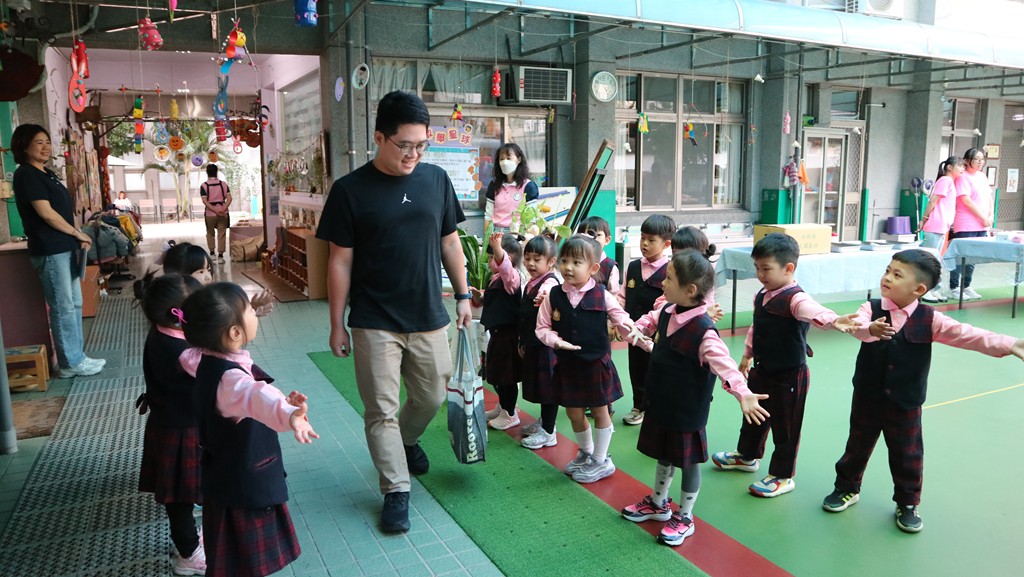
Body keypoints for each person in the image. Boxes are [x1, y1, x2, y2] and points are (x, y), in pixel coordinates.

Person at [315, 90, 471, 533]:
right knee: (380, 409)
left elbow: (450, 243)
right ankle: (396, 489)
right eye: (405, 145)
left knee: (432, 396)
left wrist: (463, 295)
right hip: (373, 320)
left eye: (421, 146)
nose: (413, 155)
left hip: (428, 315)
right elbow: (339, 262)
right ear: (379, 137)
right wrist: (336, 325)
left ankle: (406, 440)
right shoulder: (349, 191)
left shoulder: (435, 180)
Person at [823, 249, 1024, 533]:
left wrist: (1010, 344)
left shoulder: (931, 319)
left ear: (918, 289)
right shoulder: (871, 308)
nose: (887, 278)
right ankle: (846, 487)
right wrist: (869, 329)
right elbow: (856, 326)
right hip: (867, 396)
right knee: (857, 444)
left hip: (905, 401)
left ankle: (907, 502)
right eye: (887, 270)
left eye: (897, 274)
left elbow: (967, 335)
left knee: (908, 452)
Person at [622, 250, 769, 547]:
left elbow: (725, 365)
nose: (663, 282)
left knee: (688, 463)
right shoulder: (667, 310)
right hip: (662, 403)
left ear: (690, 290)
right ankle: (659, 503)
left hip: (687, 411)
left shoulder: (705, 332)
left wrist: (743, 393)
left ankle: (685, 517)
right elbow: (648, 321)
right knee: (664, 454)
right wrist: (635, 329)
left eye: (669, 278)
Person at [180, 282, 318, 577]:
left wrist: (246, 312)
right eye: (249, 312)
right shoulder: (231, 380)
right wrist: (290, 414)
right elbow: (256, 395)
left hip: (223, 480)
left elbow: (251, 397)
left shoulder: (201, 359)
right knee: (244, 564)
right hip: (244, 487)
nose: (255, 314)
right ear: (234, 333)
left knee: (229, 562)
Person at [711, 233, 858, 497]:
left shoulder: (795, 299)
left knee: (786, 427)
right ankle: (747, 456)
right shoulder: (762, 295)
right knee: (754, 416)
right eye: (757, 268)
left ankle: (782, 475)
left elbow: (814, 311)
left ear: (788, 268)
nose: (760, 274)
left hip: (789, 376)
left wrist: (834, 320)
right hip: (762, 369)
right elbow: (757, 326)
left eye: (766, 269)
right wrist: (747, 354)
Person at [535, 234, 637, 484]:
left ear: (593, 268)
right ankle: (588, 452)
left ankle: (601, 460)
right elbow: (542, 328)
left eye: (576, 262)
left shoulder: (603, 295)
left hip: (595, 363)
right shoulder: (554, 295)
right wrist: (556, 341)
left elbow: (621, 318)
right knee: (573, 412)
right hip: (567, 365)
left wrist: (636, 333)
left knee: (600, 410)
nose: (568, 267)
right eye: (565, 261)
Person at [10, 124, 106, 378]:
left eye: (47, 142)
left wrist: (79, 235)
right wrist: (76, 233)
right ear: (24, 146)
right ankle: (69, 363)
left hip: (65, 247)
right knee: (63, 306)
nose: (45, 147)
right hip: (50, 250)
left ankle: (77, 357)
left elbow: (65, 210)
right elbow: (47, 214)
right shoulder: (26, 174)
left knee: (74, 303)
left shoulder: (46, 173)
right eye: (38, 142)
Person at [133, 273, 206, 575]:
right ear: (180, 315)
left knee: (181, 497)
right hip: (180, 432)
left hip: (171, 425)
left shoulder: (162, 334)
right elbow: (218, 369)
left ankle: (189, 543)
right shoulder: (180, 351)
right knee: (181, 499)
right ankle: (188, 555)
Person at [618, 214, 675, 427]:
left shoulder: (670, 270)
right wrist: (617, 320)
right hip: (635, 332)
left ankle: (657, 409)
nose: (644, 243)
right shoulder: (633, 267)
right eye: (642, 238)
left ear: (666, 244)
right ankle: (638, 406)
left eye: (651, 240)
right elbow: (622, 296)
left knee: (658, 370)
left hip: (659, 334)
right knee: (637, 369)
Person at [471, 232, 524, 430]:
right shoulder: (496, 279)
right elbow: (493, 300)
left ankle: (510, 413)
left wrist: (498, 249)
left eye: (492, 256)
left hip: (508, 336)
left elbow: (506, 269)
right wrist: (480, 297)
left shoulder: (512, 277)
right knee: (497, 374)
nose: (490, 261)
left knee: (506, 377)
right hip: (497, 334)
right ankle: (503, 407)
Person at [516, 234, 561, 449]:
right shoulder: (531, 282)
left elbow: (548, 293)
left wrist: (544, 297)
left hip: (546, 346)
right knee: (542, 387)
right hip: (533, 343)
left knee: (548, 388)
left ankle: (549, 432)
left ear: (551, 262)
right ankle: (544, 422)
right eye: (527, 258)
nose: (531, 263)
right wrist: (522, 341)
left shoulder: (549, 283)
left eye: (537, 259)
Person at [948, 148, 993, 301]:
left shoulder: (982, 176)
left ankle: (966, 285)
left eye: (982, 159)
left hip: (982, 224)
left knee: (973, 257)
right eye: (976, 159)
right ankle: (954, 287)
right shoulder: (963, 177)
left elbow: (989, 197)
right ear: (967, 161)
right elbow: (966, 201)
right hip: (967, 223)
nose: (980, 162)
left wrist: (990, 216)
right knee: (961, 256)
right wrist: (983, 217)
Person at [919, 156, 964, 303]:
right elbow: (933, 201)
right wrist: (924, 219)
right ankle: (924, 290)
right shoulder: (945, 180)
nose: (963, 169)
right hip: (935, 224)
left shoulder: (949, 181)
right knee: (929, 259)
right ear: (950, 167)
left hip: (941, 226)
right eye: (960, 166)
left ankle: (933, 290)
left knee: (936, 259)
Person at [484, 143, 539, 232]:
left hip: (519, 233)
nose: (505, 162)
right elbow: (488, 216)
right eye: (501, 159)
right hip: (497, 233)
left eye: (509, 158)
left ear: (519, 160)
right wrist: (487, 238)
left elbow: (531, 219)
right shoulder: (494, 185)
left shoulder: (528, 186)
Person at [577, 216, 620, 293]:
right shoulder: (575, 261)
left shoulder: (610, 266)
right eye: (584, 235)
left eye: (597, 235)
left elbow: (614, 294)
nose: (590, 238)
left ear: (607, 240)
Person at [200, 164, 232, 264]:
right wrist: (223, 209)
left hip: (210, 214)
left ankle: (212, 254)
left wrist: (214, 210)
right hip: (223, 213)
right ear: (217, 172)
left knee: (210, 233)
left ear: (207, 172)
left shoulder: (204, 186)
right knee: (221, 234)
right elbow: (229, 198)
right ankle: (221, 256)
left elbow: (205, 201)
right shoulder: (224, 184)